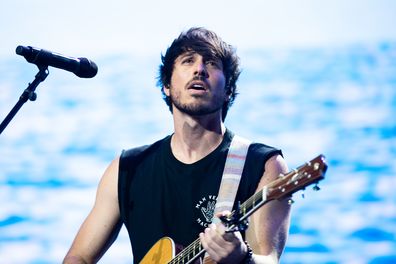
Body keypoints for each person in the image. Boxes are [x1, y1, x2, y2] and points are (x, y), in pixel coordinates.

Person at [63, 27, 291, 264]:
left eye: (211, 63)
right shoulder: (128, 168)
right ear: (166, 86)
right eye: (188, 61)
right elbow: (78, 257)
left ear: (228, 91)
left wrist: (242, 258)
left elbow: (269, 258)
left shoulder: (263, 165)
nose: (199, 69)